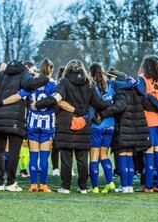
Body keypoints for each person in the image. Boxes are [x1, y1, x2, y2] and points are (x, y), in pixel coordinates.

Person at [0, 60, 50, 192]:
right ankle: (11, 183)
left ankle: (0, 183)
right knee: (14, 152)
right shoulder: (24, 75)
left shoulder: (0, 75)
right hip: (14, 121)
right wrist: (45, 78)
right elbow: (31, 83)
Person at [34, 59, 109, 194]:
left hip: (66, 124)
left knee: (66, 158)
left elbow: (56, 98)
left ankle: (66, 187)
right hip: (83, 124)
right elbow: (100, 103)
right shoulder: (90, 84)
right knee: (82, 159)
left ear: (68, 70)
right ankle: (83, 187)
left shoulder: (64, 82)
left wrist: (38, 104)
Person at [1, 58, 56, 193]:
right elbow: (57, 101)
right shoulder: (53, 85)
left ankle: (32, 185)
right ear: (51, 70)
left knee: (33, 155)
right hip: (47, 123)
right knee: (44, 156)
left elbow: (18, 96)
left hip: (32, 122)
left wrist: (2, 102)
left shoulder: (32, 84)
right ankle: (43, 185)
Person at [99, 70, 151, 193]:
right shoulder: (135, 89)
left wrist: (103, 113)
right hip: (135, 128)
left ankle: (124, 185)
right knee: (129, 156)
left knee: (123, 156)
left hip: (123, 127)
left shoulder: (120, 90)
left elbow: (120, 106)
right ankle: (130, 186)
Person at [137, 55, 158, 193]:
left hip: (148, 120)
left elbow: (141, 96)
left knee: (149, 153)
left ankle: (149, 186)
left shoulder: (143, 78)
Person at [87, 63, 116, 194]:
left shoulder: (92, 87)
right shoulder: (111, 86)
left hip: (97, 126)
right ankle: (110, 183)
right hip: (110, 126)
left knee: (94, 156)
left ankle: (95, 187)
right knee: (104, 155)